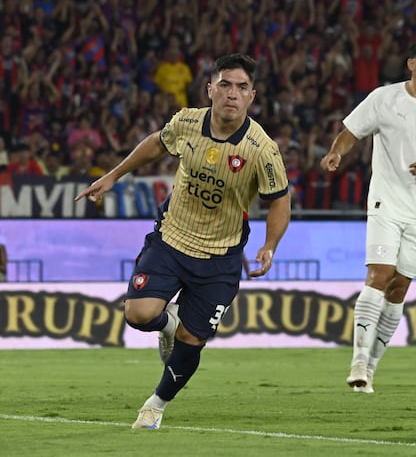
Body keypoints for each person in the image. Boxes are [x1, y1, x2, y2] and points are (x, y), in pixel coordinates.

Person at [75, 53, 291, 429]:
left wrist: (270, 245)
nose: (232, 94)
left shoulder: (261, 150)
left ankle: (155, 405)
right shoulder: (187, 121)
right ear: (210, 88)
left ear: (252, 96)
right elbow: (158, 144)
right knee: (138, 314)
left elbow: (279, 201)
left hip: (220, 255)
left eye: (241, 87)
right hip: (172, 237)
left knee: (194, 338)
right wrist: (113, 176)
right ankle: (167, 324)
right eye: (224, 84)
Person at [320, 39, 416, 394]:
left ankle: (370, 369)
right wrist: (335, 153)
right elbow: (351, 132)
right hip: (386, 201)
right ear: (411, 64)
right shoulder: (383, 98)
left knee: (399, 287)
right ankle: (357, 359)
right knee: (380, 274)